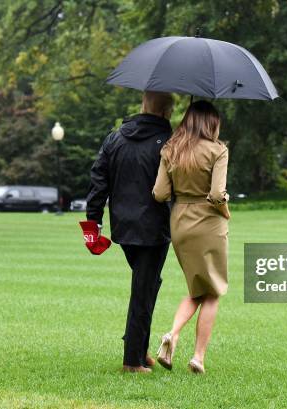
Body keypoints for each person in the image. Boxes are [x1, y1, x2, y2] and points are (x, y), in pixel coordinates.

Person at [86, 91, 175, 373]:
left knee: (147, 284)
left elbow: (98, 180)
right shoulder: (168, 142)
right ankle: (132, 361)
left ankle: (139, 347)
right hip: (155, 227)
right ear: (165, 112)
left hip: (123, 228)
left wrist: (93, 223)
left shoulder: (114, 138)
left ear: (143, 105)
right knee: (144, 289)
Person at [152, 100, 230, 374]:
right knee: (213, 291)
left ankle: (172, 335)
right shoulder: (218, 150)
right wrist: (226, 210)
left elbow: (160, 194)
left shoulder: (170, 149)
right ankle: (198, 356)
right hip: (208, 221)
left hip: (180, 223)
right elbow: (218, 194)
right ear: (212, 123)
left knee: (198, 289)